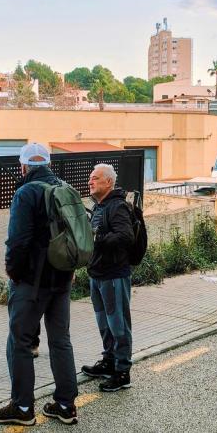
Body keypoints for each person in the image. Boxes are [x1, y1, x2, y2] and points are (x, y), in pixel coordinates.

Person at [0, 143, 79, 426]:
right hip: (62, 278)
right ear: (48, 164)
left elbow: (18, 240)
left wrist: (13, 272)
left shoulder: (26, 192)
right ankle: (65, 405)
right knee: (60, 340)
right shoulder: (65, 188)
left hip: (32, 281)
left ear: (23, 166)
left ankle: (23, 407)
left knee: (20, 342)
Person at [80, 163, 135, 392]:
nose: (90, 181)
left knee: (118, 324)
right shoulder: (99, 207)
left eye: (95, 178)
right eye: (90, 178)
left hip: (113, 275)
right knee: (104, 323)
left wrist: (98, 239)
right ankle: (109, 360)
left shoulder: (117, 207)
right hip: (97, 274)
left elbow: (125, 236)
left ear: (108, 182)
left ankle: (122, 371)